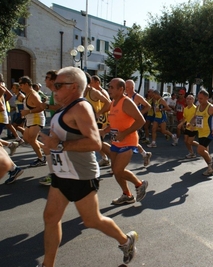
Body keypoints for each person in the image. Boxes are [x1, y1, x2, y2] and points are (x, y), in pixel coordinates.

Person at [38, 66, 138, 267]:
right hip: (62, 173)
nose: (53, 89)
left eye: (58, 85)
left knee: (92, 220)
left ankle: (126, 242)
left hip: (81, 175)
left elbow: (95, 143)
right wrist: (51, 147)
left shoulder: (81, 107)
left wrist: (58, 144)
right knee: (50, 217)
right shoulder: (63, 109)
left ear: (73, 87)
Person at [103, 78, 148, 205]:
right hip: (116, 141)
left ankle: (140, 184)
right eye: (109, 87)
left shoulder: (126, 102)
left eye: (112, 87)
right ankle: (127, 195)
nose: (109, 89)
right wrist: (104, 131)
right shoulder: (113, 103)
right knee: (115, 170)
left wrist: (124, 133)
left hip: (128, 140)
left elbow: (141, 120)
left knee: (118, 170)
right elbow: (114, 123)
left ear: (121, 89)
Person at [193, 89, 213, 176]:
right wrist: (190, 123)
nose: (199, 100)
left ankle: (212, 163)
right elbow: (195, 117)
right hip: (200, 132)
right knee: (205, 151)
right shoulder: (198, 107)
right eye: (198, 98)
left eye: (201, 98)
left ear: (207, 98)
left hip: (209, 132)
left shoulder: (211, 108)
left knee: (200, 150)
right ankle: (210, 168)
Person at [19, 76, 47, 167]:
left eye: (21, 85)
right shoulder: (27, 94)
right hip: (30, 120)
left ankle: (41, 159)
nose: (20, 87)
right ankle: (48, 149)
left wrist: (28, 111)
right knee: (26, 138)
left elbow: (41, 107)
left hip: (37, 119)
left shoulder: (33, 95)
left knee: (32, 139)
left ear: (27, 84)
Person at [125, 79, 152, 167]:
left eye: (128, 87)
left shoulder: (136, 97)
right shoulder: (125, 96)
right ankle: (145, 154)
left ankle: (119, 165)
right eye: (125, 87)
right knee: (130, 140)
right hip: (126, 121)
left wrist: (140, 114)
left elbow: (148, 106)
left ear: (133, 87)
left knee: (127, 140)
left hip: (134, 122)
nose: (126, 89)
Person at [177, 93, 199, 158]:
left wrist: (193, 125)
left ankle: (201, 146)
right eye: (187, 99)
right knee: (186, 141)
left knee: (190, 141)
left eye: (190, 99)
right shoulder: (185, 108)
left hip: (194, 127)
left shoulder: (195, 108)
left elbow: (197, 118)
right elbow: (185, 118)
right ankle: (191, 153)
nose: (188, 100)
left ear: (193, 100)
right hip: (188, 127)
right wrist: (181, 124)